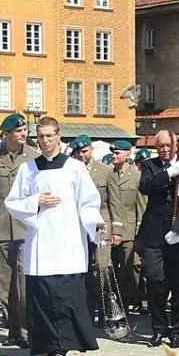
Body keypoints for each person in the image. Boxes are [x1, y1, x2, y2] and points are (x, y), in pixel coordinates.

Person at [4, 118, 105, 356]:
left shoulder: (75, 168)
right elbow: (13, 201)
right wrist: (35, 202)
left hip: (68, 241)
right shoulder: (28, 169)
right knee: (42, 295)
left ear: (59, 137)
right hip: (40, 242)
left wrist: (95, 223)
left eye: (50, 136)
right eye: (41, 137)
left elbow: (88, 202)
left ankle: (64, 346)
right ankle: (45, 346)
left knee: (66, 295)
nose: (45, 141)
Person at [0, 113, 40, 348]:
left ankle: (26, 329)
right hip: (1, 226)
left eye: (24, 130)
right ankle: (12, 329)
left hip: (27, 227)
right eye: (18, 131)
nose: (23, 134)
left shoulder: (34, 157)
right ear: (7, 134)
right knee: (5, 282)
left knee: (24, 281)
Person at [137, 130, 179, 348]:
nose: (164, 149)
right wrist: (168, 174)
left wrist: (177, 229)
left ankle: (177, 330)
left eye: (168, 146)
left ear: (175, 146)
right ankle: (158, 327)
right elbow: (145, 187)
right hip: (154, 233)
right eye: (160, 146)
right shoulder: (149, 166)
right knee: (155, 280)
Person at [70, 134, 111, 322]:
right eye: (77, 152)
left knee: (102, 269)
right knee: (81, 271)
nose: (81, 155)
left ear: (91, 150)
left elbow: (113, 202)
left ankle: (104, 309)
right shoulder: (68, 170)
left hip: (100, 227)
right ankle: (85, 311)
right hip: (76, 229)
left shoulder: (104, 171)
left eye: (84, 151)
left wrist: (115, 230)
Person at [105, 140, 144, 319]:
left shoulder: (137, 177)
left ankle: (124, 308)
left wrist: (139, 234)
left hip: (129, 231)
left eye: (117, 153)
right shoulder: (108, 175)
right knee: (108, 270)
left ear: (128, 154)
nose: (114, 156)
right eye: (113, 153)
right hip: (109, 229)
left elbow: (141, 207)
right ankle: (109, 306)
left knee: (126, 272)